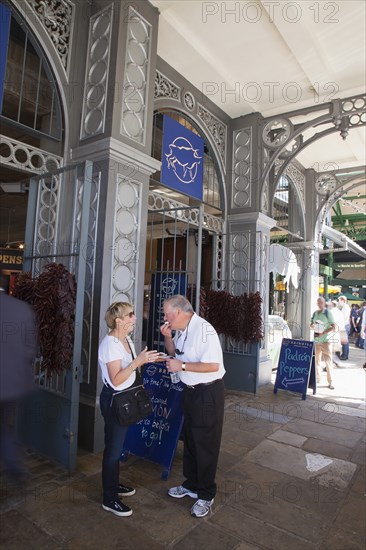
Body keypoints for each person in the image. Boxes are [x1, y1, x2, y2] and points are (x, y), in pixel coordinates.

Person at [160, 295, 225, 518]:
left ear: (179, 312)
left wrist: (183, 365)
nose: (165, 317)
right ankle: (191, 484)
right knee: (191, 440)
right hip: (190, 392)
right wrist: (168, 337)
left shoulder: (205, 330)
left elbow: (213, 365)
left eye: (167, 313)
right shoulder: (183, 329)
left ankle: (206, 494)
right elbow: (174, 354)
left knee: (205, 444)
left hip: (207, 393)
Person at [98, 302, 161, 517]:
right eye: (130, 315)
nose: (135, 317)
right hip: (115, 400)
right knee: (113, 450)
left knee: (117, 446)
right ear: (118, 321)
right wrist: (137, 362)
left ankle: (114, 485)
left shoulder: (125, 340)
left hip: (125, 399)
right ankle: (109, 498)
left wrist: (146, 360)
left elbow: (131, 370)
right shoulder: (110, 344)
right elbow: (116, 380)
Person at [0, 272, 37, 480]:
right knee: (5, 423)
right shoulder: (22, 309)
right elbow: (31, 349)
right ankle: (14, 465)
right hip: (13, 383)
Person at [310, 297, 336, 389]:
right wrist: (313, 326)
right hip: (317, 340)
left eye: (321, 303)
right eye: (318, 303)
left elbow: (333, 326)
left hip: (326, 341)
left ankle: (331, 381)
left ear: (324, 303)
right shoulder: (315, 313)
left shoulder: (328, 313)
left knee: (328, 361)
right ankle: (317, 378)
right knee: (316, 360)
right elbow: (310, 324)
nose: (320, 304)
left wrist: (323, 332)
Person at [326, 301, 343, 366]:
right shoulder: (339, 312)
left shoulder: (331, 312)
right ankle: (333, 362)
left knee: (330, 349)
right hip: (337, 332)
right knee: (333, 349)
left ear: (332, 305)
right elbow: (342, 324)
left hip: (331, 332)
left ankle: (330, 364)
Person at [337, 296, 351, 360]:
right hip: (346, 325)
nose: (339, 302)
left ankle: (344, 355)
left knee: (344, 341)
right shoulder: (345, 307)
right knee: (345, 341)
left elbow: (343, 317)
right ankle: (345, 355)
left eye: (339, 300)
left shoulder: (345, 307)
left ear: (343, 300)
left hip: (344, 325)